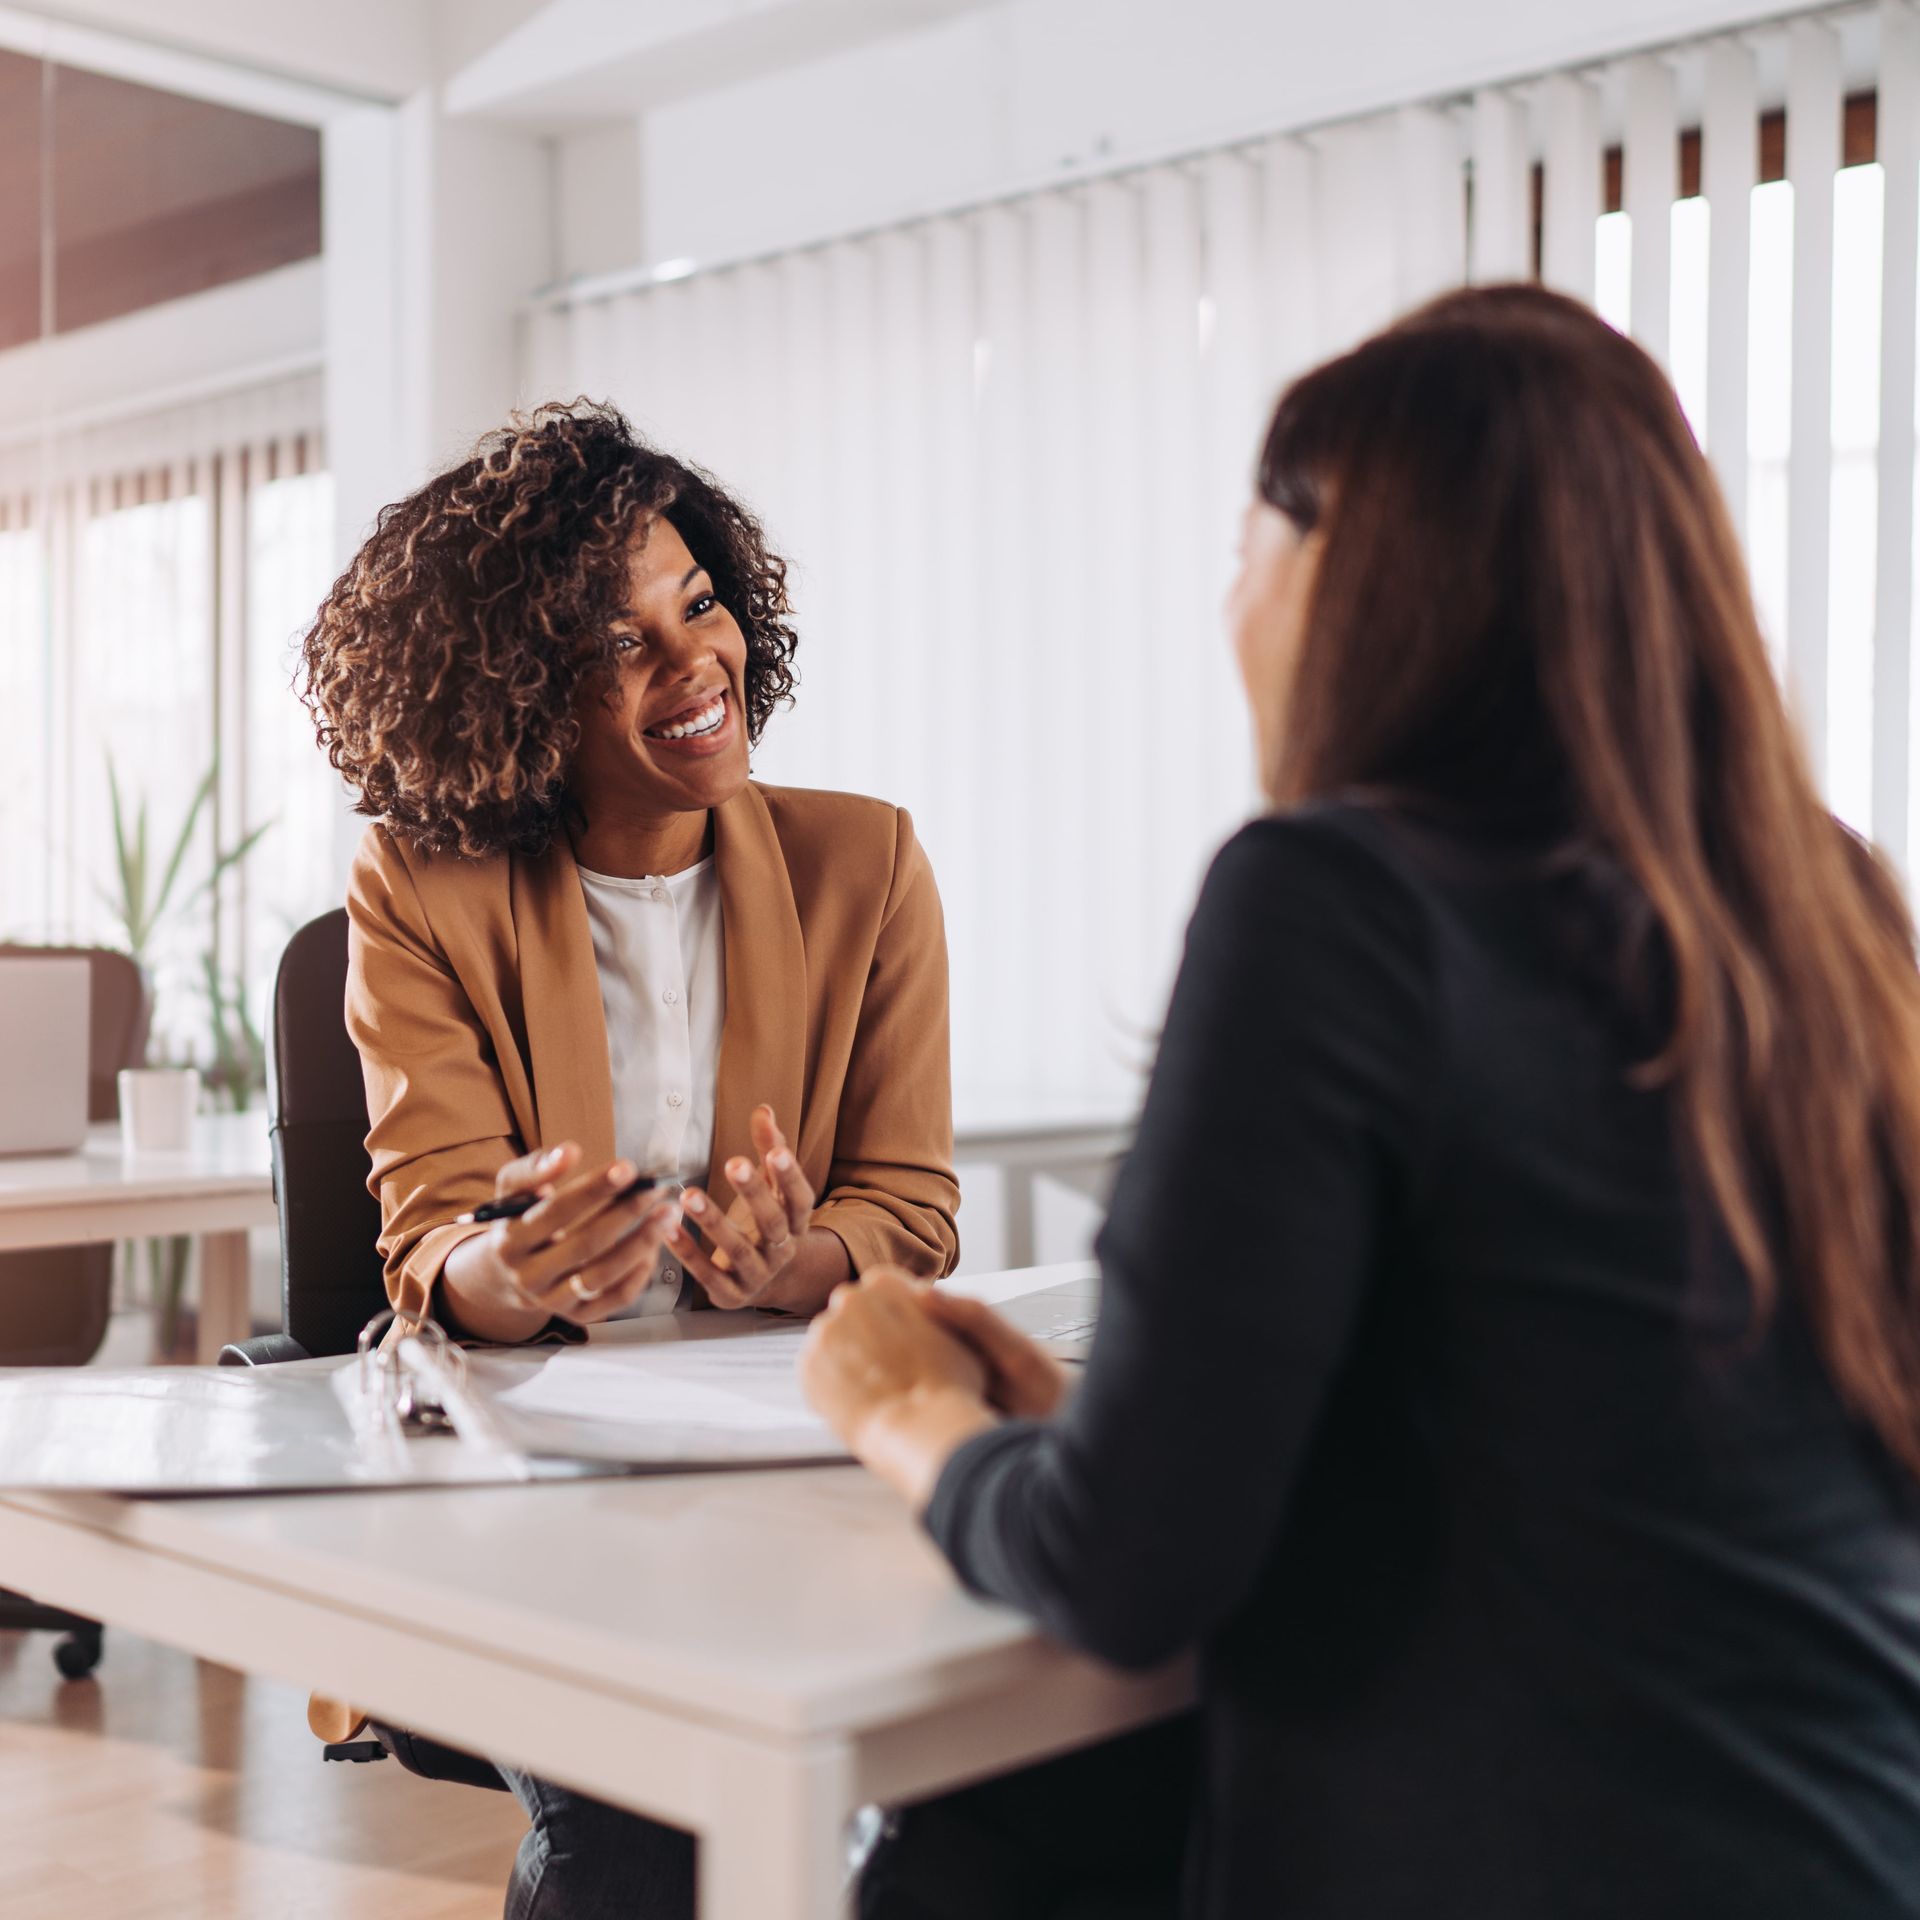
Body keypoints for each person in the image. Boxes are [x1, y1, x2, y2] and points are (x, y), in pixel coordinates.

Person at [803, 284, 1920, 1919]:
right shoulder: (1825, 906)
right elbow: (1603, 1433)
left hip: (1545, 1860)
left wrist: (901, 1410)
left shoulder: (1330, 900)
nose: (1227, 602)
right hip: (1854, 1839)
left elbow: (1123, 1577)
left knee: (968, 1859)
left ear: (1352, 570)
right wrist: (1113, 1430)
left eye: (1244, 545)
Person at [298, 400, 960, 1919]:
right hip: (538, 1497)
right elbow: (430, 1246)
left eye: (702, 605)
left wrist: (806, 1261)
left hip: (785, 1478)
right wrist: (517, 1269)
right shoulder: (424, 886)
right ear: (517, 687)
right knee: (642, 1832)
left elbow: (910, 1205)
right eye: (620, 640)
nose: (693, 667)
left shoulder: (869, 865)